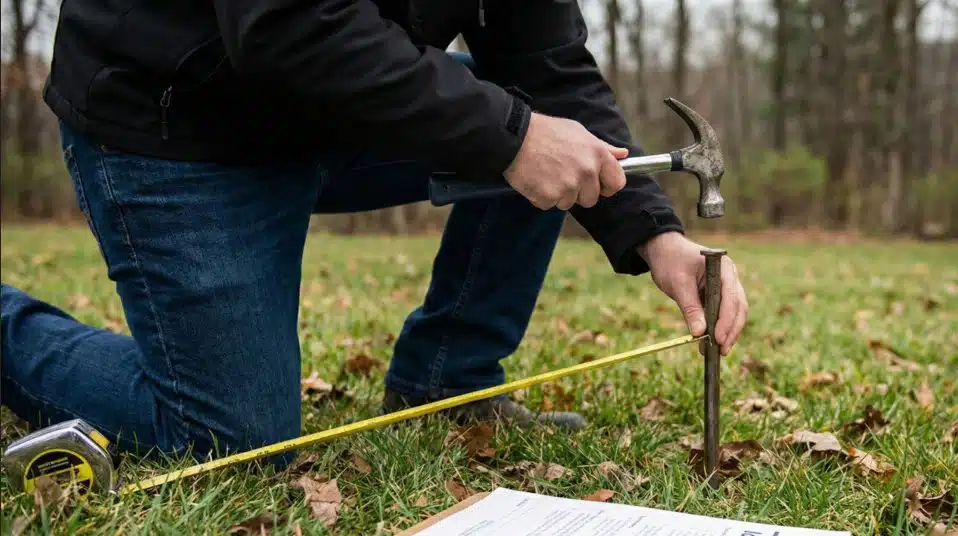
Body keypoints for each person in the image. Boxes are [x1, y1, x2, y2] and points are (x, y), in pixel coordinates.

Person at [1, 0, 748, 464]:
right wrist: (512, 135)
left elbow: (547, 66)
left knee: (538, 126)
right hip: (178, 121)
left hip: (335, 109)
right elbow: (288, 26)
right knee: (226, 439)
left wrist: (657, 233)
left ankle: (447, 379)